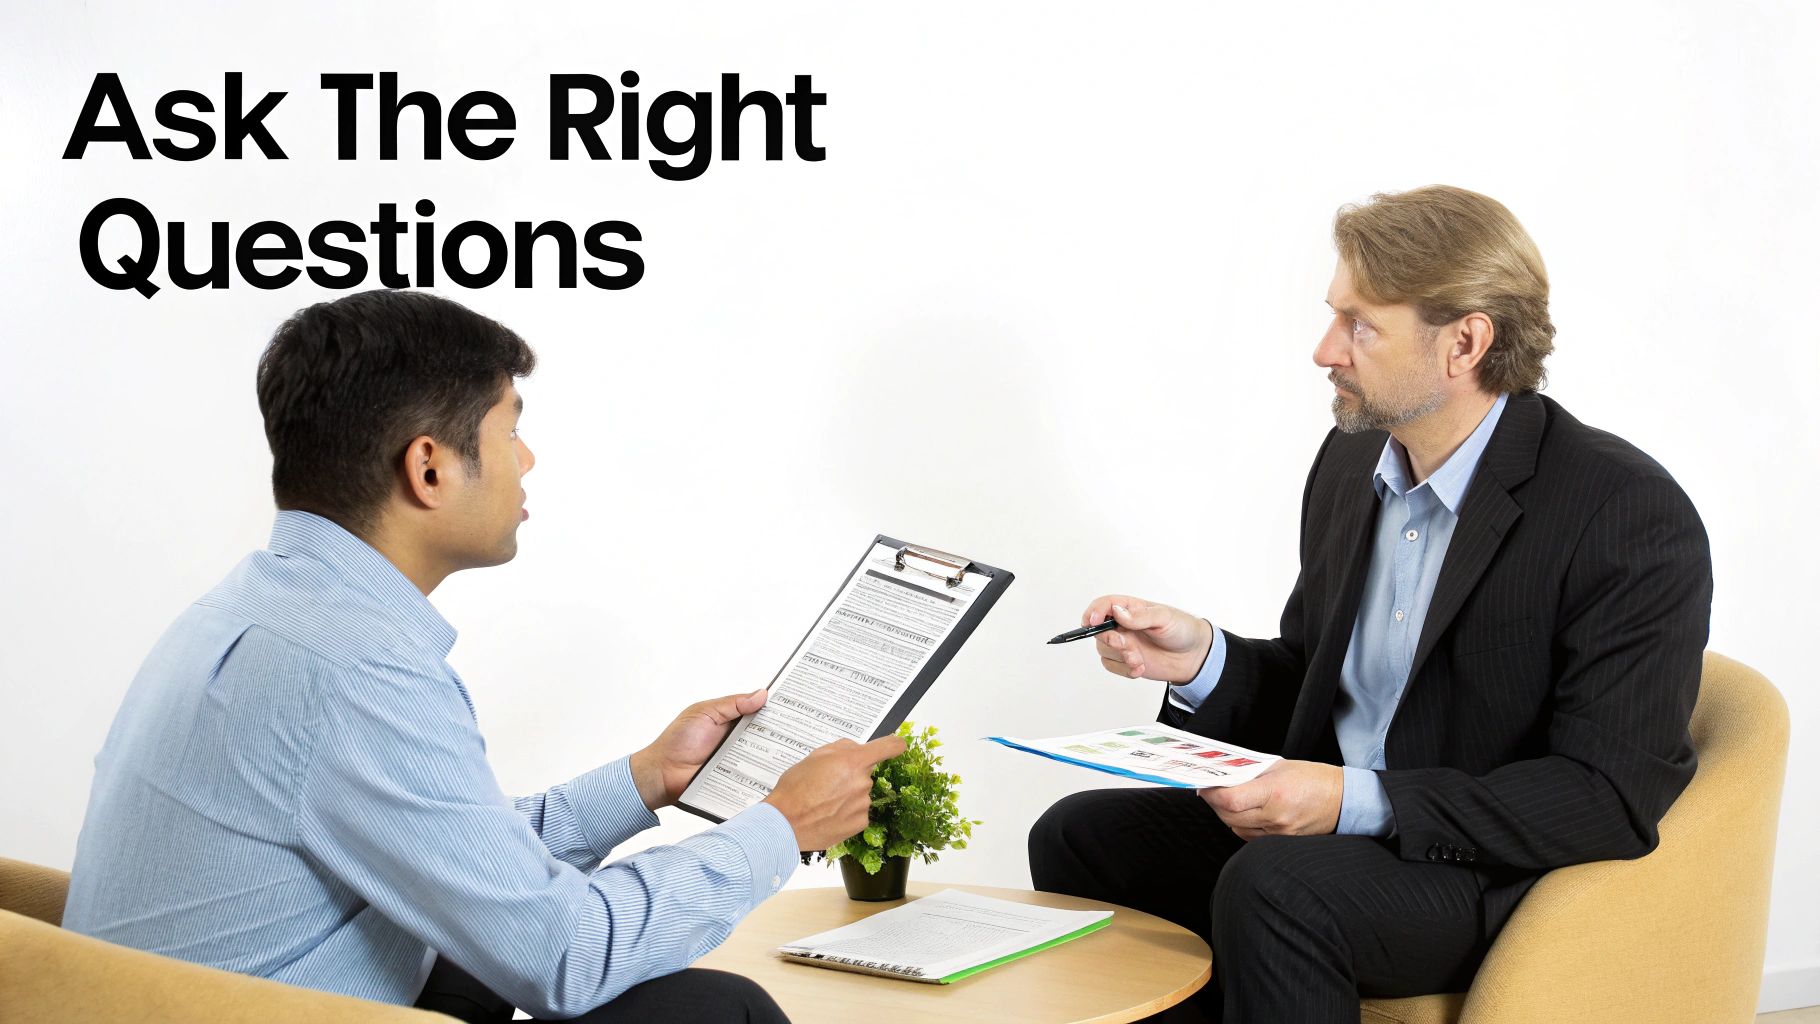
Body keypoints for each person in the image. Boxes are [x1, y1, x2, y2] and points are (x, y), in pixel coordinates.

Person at [62, 289, 904, 1023]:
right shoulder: (355, 668)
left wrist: (647, 778)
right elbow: (567, 956)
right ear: (428, 466)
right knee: (720, 1013)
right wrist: (782, 827)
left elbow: (459, 855)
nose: (527, 460)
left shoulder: (257, 610)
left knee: (504, 960)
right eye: (511, 431)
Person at [1028, 185, 1712, 1023]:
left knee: (1277, 887)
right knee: (1078, 835)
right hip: (1344, 836)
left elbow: (1605, 795)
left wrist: (1350, 801)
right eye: (1332, 317)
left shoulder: (1623, 512)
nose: (1325, 350)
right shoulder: (1355, 466)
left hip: (1482, 867)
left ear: (1466, 341)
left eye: (1360, 325)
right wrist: (1203, 659)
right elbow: (1316, 685)